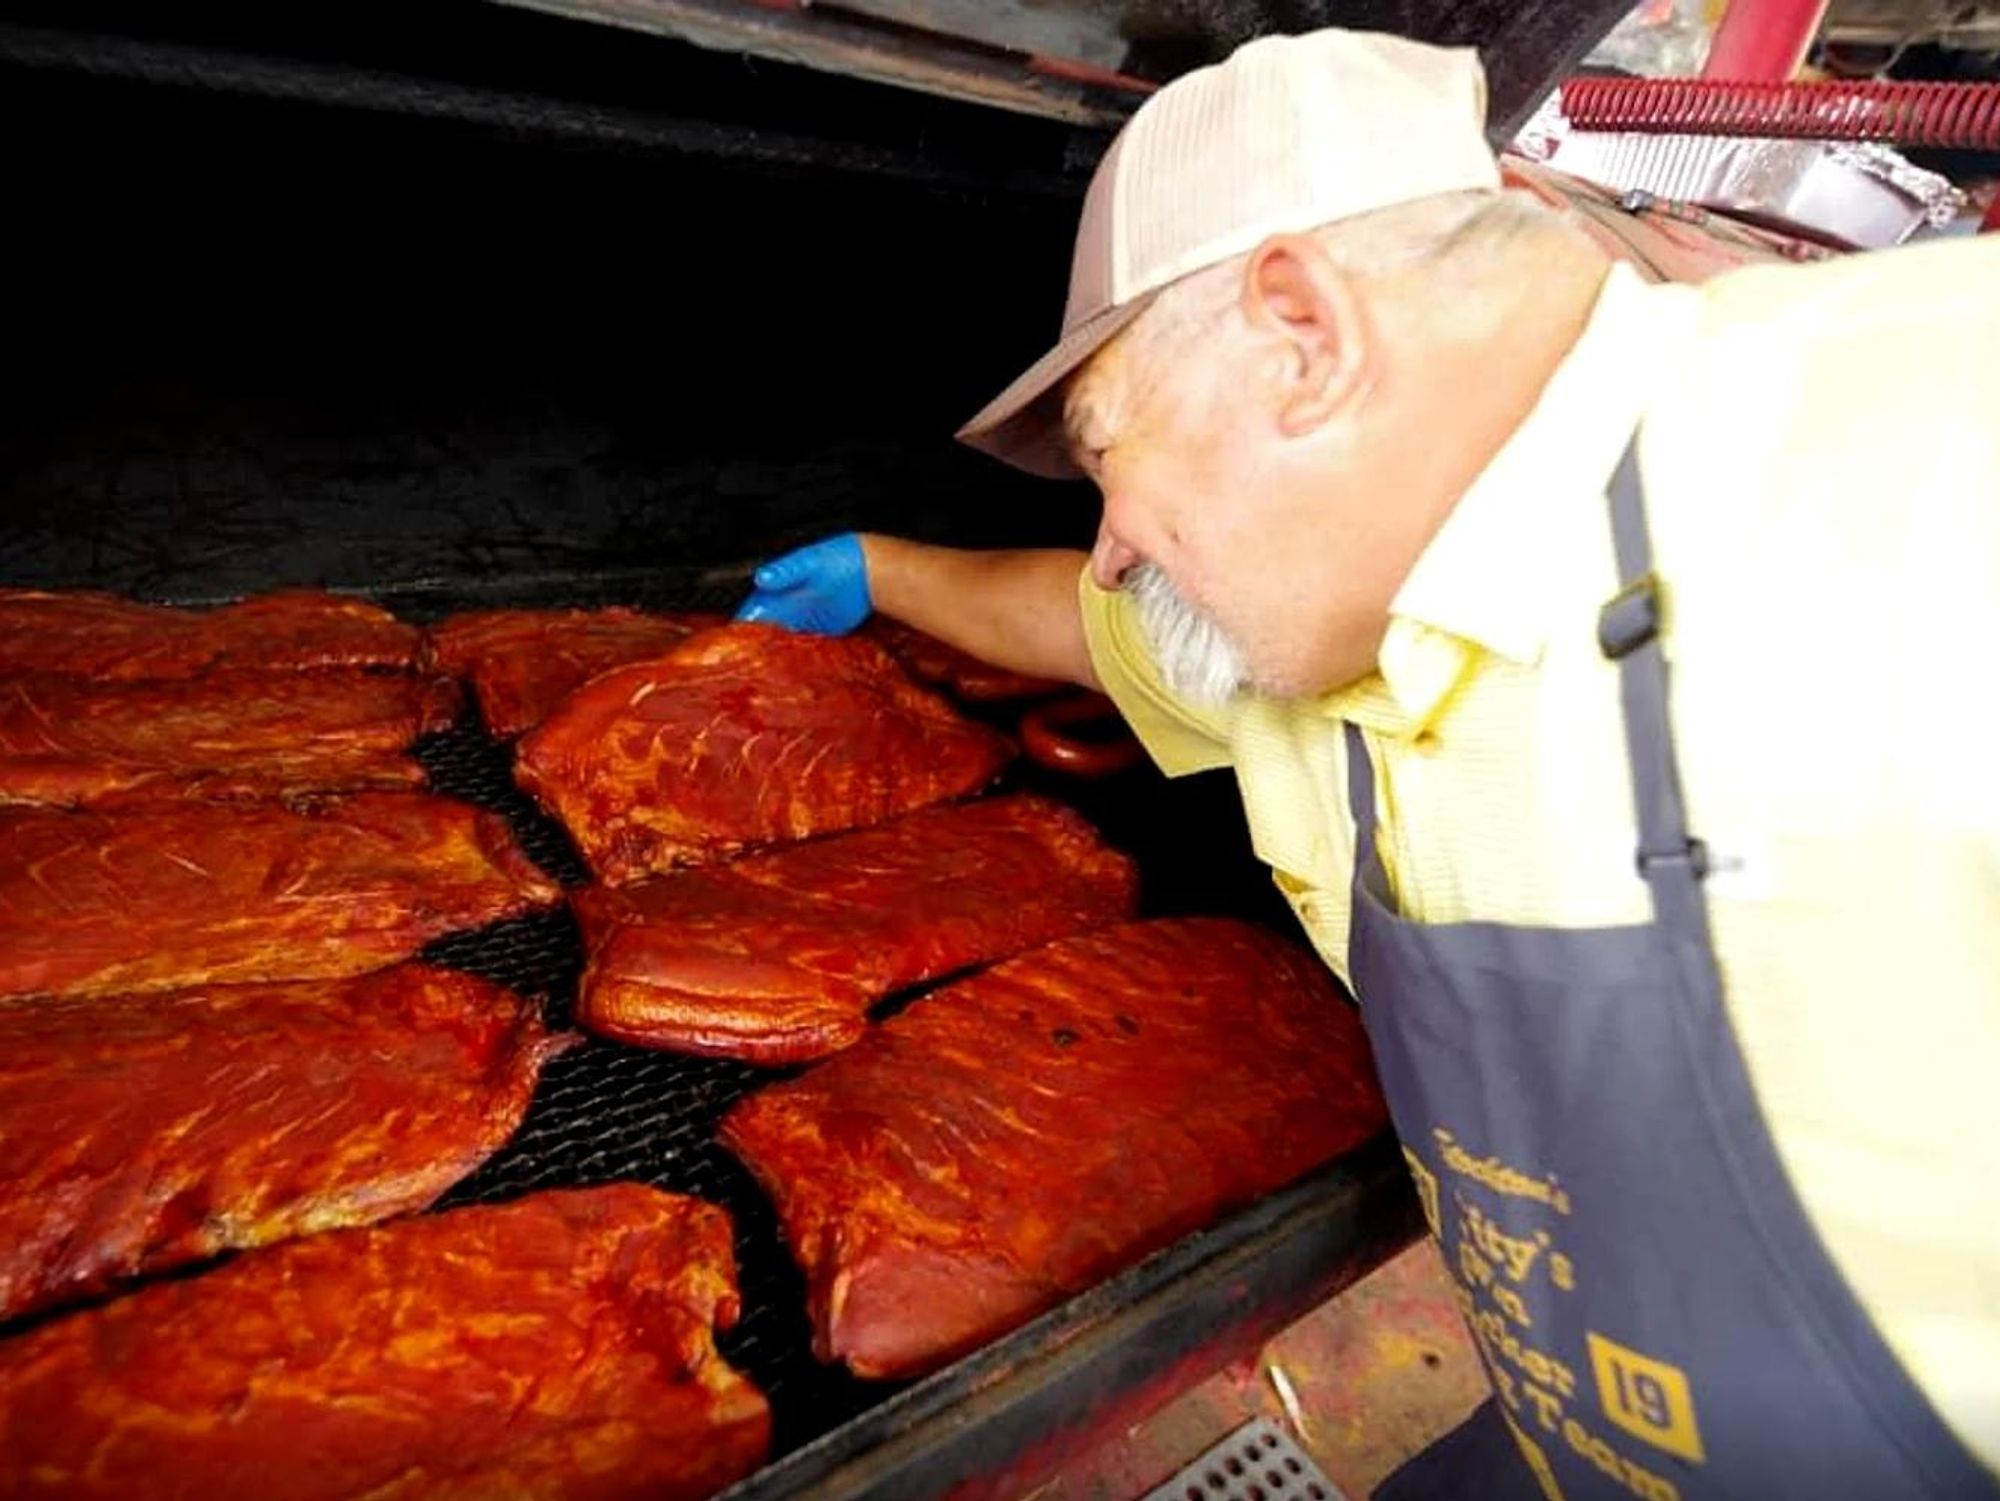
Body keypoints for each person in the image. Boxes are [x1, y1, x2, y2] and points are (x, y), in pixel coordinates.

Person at [735, 27, 2000, 1501]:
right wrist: (881, 567)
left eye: (1108, 456)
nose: (1114, 546)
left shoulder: (1914, 456)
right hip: (1571, 1428)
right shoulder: (1327, 587)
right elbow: (1091, 626)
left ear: (1303, 336)